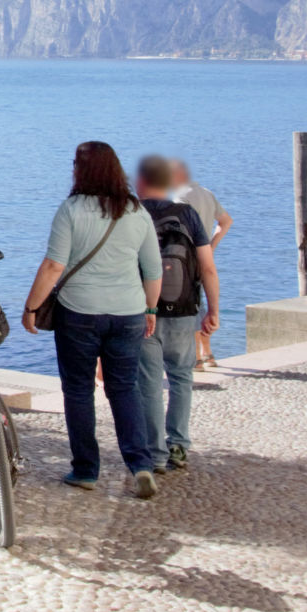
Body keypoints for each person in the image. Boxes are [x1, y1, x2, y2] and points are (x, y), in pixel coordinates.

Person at [20, 141, 163, 499]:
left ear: (79, 170)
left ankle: (85, 470)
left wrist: (31, 306)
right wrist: (150, 309)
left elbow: (54, 265)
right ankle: (140, 465)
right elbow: (153, 269)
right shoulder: (135, 211)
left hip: (79, 314)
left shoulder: (71, 210)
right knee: (124, 389)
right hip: (128, 312)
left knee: (79, 392)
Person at [135, 154, 218, 475]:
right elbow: (207, 268)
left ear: (140, 182)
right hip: (184, 309)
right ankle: (179, 445)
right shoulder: (188, 215)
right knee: (182, 376)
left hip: (143, 309)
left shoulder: (133, 214)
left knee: (150, 383)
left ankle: (155, 454)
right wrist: (213, 309)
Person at [169, 158, 231, 367]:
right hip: (204, 254)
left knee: (190, 304)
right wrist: (212, 245)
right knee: (199, 300)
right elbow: (226, 222)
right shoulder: (206, 193)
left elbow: (179, 230)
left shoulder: (179, 198)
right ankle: (208, 352)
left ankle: (196, 356)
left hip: (186, 256)